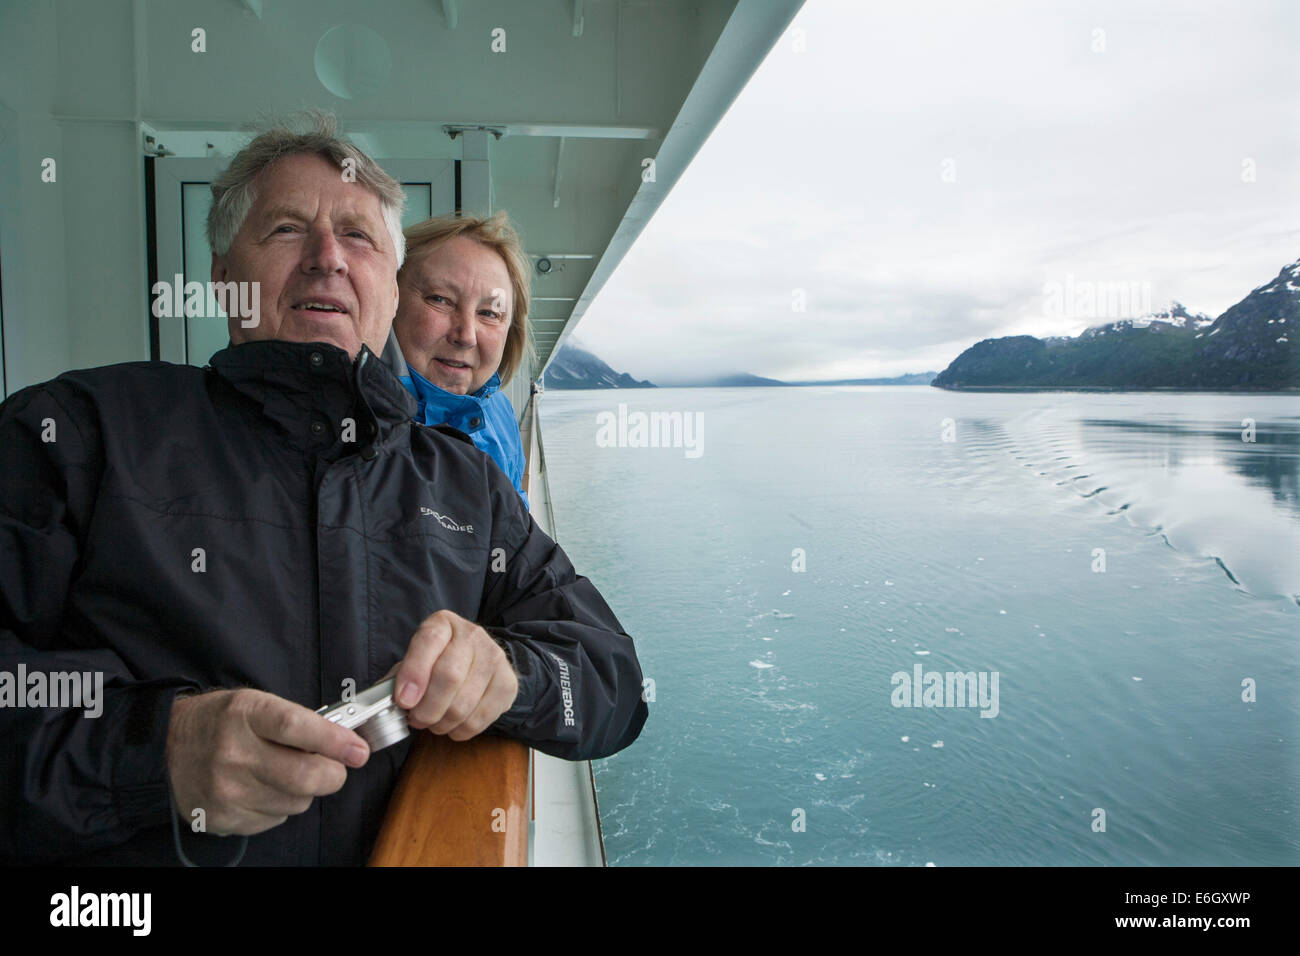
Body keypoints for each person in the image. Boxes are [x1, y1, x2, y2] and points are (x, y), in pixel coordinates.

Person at [0, 113, 648, 866]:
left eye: (360, 237)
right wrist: (154, 754)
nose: (327, 258)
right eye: (284, 229)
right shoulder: (76, 435)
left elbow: (616, 685)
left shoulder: (464, 485)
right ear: (221, 277)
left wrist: (510, 677)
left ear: (387, 286)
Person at [391, 213, 532, 507]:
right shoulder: (348, 416)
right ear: (390, 299)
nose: (466, 335)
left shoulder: (499, 412)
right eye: (440, 299)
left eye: (489, 314)